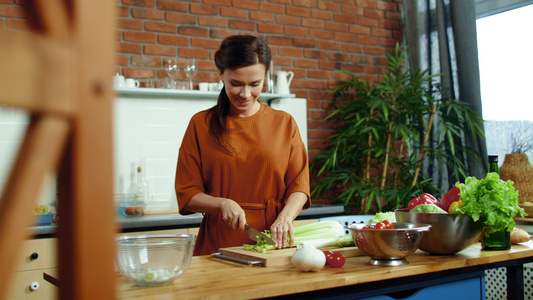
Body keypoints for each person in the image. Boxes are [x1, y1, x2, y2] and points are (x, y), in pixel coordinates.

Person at [175, 35, 311, 256]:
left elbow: (299, 186)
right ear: (222, 76)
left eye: (255, 84)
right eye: (235, 84)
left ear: (265, 77)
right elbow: (187, 194)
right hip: (218, 244)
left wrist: (285, 218)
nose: (245, 94)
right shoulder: (201, 124)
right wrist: (221, 204)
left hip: (272, 242)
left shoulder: (284, 123)